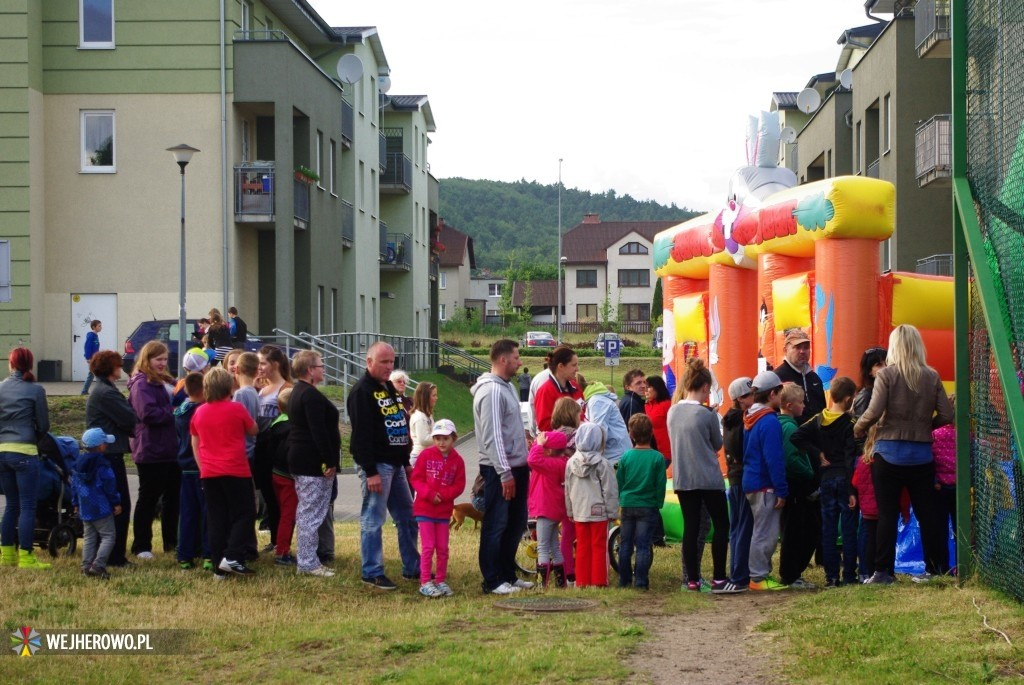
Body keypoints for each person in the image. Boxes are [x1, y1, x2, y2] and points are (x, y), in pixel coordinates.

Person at [854, 324, 954, 584]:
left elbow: (873, 412)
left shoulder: (886, 375)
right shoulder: (931, 376)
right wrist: (923, 429)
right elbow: (946, 415)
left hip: (888, 455)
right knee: (927, 514)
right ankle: (935, 569)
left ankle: (883, 572)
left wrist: (858, 427)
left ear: (894, 346)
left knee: (887, 514)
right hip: (921, 457)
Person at [668, 358, 743, 594]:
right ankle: (720, 578)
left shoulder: (673, 411)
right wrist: (714, 417)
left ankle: (692, 579)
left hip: (683, 478)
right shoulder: (707, 414)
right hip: (708, 478)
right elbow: (717, 444)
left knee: (691, 527)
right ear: (703, 388)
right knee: (722, 524)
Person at [348, 342, 419, 589]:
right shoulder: (361, 392)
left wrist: (406, 462)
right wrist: (370, 471)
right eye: (384, 362)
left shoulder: (388, 387)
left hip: (397, 465)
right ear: (369, 362)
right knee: (373, 518)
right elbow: (360, 436)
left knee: (408, 517)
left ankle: (413, 567)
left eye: (392, 362)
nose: (389, 367)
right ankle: (372, 571)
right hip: (377, 465)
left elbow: (398, 424)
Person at [472, 339, 533, 595]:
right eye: (516, 358)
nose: (520, 362)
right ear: (502, 360)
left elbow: (510, 427)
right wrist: (504, 472)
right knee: (496, 523)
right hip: (499, 470)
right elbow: (493, 435)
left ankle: (508, 572)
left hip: (517, 467)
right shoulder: (492, 391)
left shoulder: (506, 387)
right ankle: (492, 579)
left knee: (515, 522)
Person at [190, 367, 259, 578]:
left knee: (216, 518)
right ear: (229, 386)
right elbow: (253, 429)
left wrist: (203, 467)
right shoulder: (236, 408)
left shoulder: (199, 412)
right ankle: (232, 555)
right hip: (235, 469)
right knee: (245, 513)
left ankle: (219, 568)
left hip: (209, 472)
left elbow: (195, 442)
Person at [791, 376, 859, 587]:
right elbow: (849, 458)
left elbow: (796, 437)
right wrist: (851, 489)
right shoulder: (850, 423)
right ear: (848, 399)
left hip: (826, 480)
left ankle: (831, 577)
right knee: (848, 530)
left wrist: (817, 452)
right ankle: (849, 575)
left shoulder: (818, 419)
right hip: (844, 479)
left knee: (828, 529)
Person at [289, 350, 341, 578]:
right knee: (310, 514)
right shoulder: (309, 395)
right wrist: (329, 460)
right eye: (320, 365)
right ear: (310, 370)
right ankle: (308, 562)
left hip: (302, 458)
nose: (323, 368)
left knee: (307, 511)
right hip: (311, 461)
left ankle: (308, 559)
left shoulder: (300, 392)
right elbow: (318, 430)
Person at [128, 341, 180, 560]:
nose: (162, 363)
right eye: (158, 359)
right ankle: (141, 545)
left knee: (172, 498)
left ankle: (171, 542)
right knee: (148, 499)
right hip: (150, 448)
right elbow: (147, 414)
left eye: (165, 359)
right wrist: (174, 411)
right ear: (147, 359)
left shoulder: (164, 380)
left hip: (169, 447)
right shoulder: (141, 384)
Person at [85, 350, 137, 567]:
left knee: (108, 504)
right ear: (110, 368)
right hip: (109, 454)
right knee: (119, 504)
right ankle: (115, 556)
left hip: (104, 452)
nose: (121, 367)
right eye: (118, 364)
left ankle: (107, 554)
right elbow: (130, 417)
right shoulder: (106, 393)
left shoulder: (101, 388)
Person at [0, 348, 51, 569]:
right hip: (25, 451)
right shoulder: (35, 390)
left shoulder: (0, 388)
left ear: (11, 364)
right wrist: (33, 438)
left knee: (11, 505)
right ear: (30, 365)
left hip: (2, 451)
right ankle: (27, 556)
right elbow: (44, 425)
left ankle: (6, 555)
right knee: (28, 505)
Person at [742, 370, 789, 591]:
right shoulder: (769, 421)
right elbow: (775, 459)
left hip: (751, 481)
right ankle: (759, 578)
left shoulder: (750, 417)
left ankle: (759, 575)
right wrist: (781, 489)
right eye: (780, 392)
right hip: (765, 485)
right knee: (766, 533)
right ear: (772, 394)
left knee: (760, 530)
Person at [410, 419, 466, 598]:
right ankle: (425, 581)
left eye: (446, 438)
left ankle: (440, 579)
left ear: (453, 439)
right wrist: (429, 494)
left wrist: (444, 495)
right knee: (428, 546)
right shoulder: (426, 456)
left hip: (443, 511)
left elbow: (459, 484)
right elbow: (416, 479)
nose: (441, 442)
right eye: (438, 438)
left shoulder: (458, 460)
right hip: (425, 510)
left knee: (442, 547)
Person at [564, 422, 618, 588]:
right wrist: (613, 511)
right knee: (599, 546)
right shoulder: (603, 464)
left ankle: (582, 581)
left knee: (582, 546)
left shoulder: (570, 463)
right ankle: (599, 581)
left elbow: (567, 489)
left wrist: (570, 510)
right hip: (599, 511)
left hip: (579, 510)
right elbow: (610, 491)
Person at [615, 414, 666, 590]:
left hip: (628, 503)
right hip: (648, 504)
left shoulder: (626, 457)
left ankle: (624, 580)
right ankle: (641, 582)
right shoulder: (657, 458)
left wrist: (622, 497)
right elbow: (660, 484)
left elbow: (620, 481)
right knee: (643, 545)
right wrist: (658, 502)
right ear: (651, 433)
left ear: (631, 434)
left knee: (625, 543)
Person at [776, 383, 818, 590]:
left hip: (789, 483)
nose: (804, 406)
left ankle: (791, 572)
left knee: (791, 529)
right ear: (790, 405)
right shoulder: (790, 427)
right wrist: (809, 473)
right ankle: (791, 573)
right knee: (797, 530)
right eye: (801, 403)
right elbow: (791, 458)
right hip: (796, 485)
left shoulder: (780, 424)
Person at [254, 345, 292, 552]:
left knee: (277, 497)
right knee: (266, 495)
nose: (259, 367)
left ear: (275, 364)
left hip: (274, 448)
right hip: (259, 447)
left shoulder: (285, 388)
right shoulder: (261, 388)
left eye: (263, 363)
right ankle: (273, 537)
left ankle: (279, 540)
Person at [71, 428, 122, 579]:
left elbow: (73, 486)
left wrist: (75, 503)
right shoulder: (102, 464)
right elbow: (109, 484)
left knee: (89, 537)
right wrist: (116, 502)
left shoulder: (77, 463)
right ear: (100, 446)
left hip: (85, 506)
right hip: (102, 506)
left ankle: (86, 566)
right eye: (105, 443)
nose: (106, 445)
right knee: (108, 536)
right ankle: (98, 565)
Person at [527, 430, 571, 588]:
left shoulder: (548, 464)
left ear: (549, 450)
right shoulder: (562, 462)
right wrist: (538, 445)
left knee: (543, 547)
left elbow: (532, 460)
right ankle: (561, 582)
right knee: (554, 546)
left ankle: (541, 584)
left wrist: (538, 445)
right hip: (555, 510)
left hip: (545, 509)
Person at [174, 372, 210, 571]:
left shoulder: (180, 410)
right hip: (201, 465)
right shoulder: (203, 411)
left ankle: (184, 554)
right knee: (207, 511)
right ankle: (208, 554)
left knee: (187, 512)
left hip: (184, 466)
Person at [724, 376, 755, 588]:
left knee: (736, 527)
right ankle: (739, 574)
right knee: (743, 527)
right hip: (741, 476)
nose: (754, 397)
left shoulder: (730, 418)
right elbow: (738, 449)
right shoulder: (740, 422)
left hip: (734, 477)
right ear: (740, 399)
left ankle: (737, 571)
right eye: (749, 395)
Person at [549, 396, 582, 586]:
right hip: (574, 489)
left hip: (557, 488)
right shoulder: (576, 436)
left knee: (565, 533)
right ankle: (571, 570)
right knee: (572, 532)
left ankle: (566, 567)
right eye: (579, 413)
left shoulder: (553, 436)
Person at [267, 388, 296, 565]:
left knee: (283, 512)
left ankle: (282, 547)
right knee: (288, 515)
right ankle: (282, 552)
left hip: (275, 474)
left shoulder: (275, 424)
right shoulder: (293, 428)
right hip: (288, 477)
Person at [773, 330, 825, 424]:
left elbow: (821, 407)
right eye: (797, 347)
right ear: (785, 350)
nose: (802, 351)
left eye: (806, 347)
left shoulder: (814, 378)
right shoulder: (777, 377)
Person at [532, 346, 584, 432]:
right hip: (560, 444)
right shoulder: (545, 391)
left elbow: (584, 413)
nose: (577, 369)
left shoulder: (576, 387)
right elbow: (544, 426)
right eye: (574, 365)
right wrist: (572, 429)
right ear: (561, 366)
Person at [851, 425, 880, 582]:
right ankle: (881, 570)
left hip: (867, 507)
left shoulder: (862, 460)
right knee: (881, 539)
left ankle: (865, 571)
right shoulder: (883, 459)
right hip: (882, 507)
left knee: (866, 538)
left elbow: (855, 482)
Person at [932, 394, 957, 566]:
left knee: (940, 528)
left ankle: (942, 565)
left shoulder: (935, 435)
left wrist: (934, 480)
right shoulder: (966, 437)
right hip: (959, 486)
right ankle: (962, 564)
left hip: (940, 487)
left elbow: (929, 460)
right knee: (960, 529)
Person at [583, 381, 631, 465]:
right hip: (614, 455)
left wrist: (588, 458)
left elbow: (598, 432)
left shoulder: (597, 402)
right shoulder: (596, 400)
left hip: (616, 457)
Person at [853, 347, 888, 419]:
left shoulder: (889, 391)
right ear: (869, 371)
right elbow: (860, 426)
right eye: (879, 365)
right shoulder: (866, 396)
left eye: (887, 363)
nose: (886, 368)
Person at [408, 381, 437, 467]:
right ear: (425, 397)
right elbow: (423, 440)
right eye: (434, 395)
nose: (436, 398)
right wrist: (438, 435)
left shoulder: (427, 415)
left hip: (427, 456)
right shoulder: (419, 417)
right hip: (419, 457)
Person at [644, 376, 671, 460]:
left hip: (666, 452)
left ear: (657, 388)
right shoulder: (646, 406)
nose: (645, 391)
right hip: (651, 452)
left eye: (648, 387)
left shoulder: (667, 404)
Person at [80, 319, 102, 395]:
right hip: (92, 359)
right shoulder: (91, 336)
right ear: (94, 327)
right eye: (99, 326)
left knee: (92, 375)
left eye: (100, 326)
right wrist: (88, 358)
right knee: (98, 374)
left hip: (95, 358)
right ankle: (100, 391)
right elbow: (87, 347)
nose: (101, 327)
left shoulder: (95, 336)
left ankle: (84, 391)